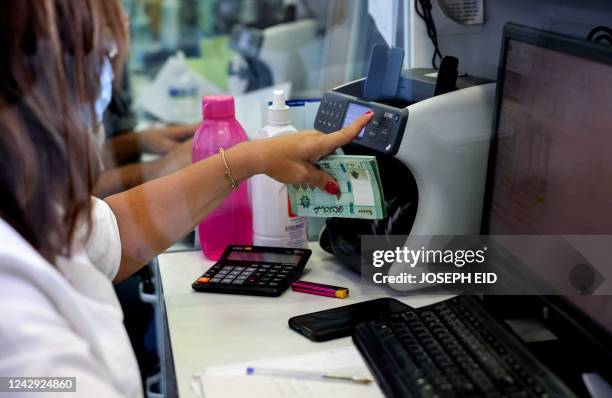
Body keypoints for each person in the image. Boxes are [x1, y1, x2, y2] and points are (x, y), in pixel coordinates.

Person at [0, 1, 373, 396]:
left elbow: (111, 233)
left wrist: (251, 158)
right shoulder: (16, 311)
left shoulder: (26, 208)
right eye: (98, 60)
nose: (105, 83)